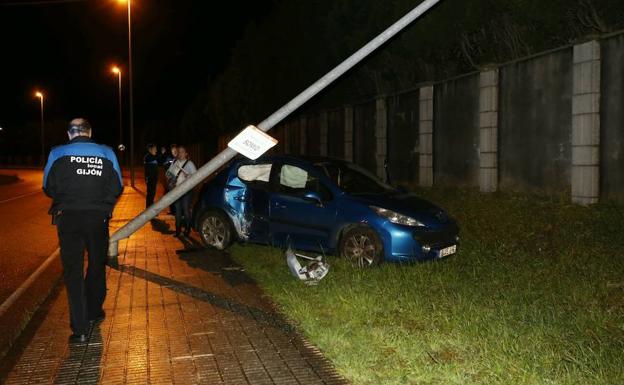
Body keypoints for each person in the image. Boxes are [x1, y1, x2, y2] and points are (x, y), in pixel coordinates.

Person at [43, 118, 123, 343]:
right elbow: (117, 187)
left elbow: (48, 187)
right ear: (90, 132)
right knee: (97, 263)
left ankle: (79, 330)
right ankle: (94, 311)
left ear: (70, 134)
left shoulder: (57, 153)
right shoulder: (107, 153)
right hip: (97, 218)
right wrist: (104, 204)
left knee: (73, 272)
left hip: (68, 218)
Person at [166, 145, 197, 236]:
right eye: (179, 151)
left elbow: (196, 176)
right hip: (176, 190)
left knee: (186, 210)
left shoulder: (190, 163)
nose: (180, 153)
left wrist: (189, 176)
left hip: (187, 191)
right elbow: (168, 173)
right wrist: (170, 176)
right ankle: (178, 230)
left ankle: (187, 230)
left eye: (182, 151)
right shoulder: (174, 162)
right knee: (177, 210)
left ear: (186, 153)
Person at [143, 143, 159, 208]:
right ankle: (149, 209)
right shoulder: (148, 157)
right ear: (150, 150)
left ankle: (150, 208)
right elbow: (158, 158)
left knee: (151, 194)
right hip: (150, 179)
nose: (156, 150)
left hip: (152, 178)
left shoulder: (150, 157)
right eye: (155, 149)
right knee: (150, 194)